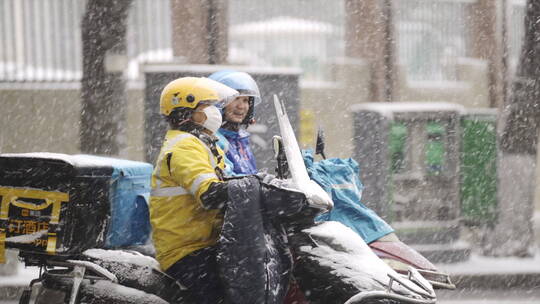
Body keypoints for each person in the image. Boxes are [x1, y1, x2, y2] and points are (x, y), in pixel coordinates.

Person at [149, 76, 306, 304]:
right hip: (188, 251)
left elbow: (235, 179)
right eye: (207, 106)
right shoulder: (184, 146)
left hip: (209, 243)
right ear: (185, 112)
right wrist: (256, 187)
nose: (215, 111)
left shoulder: (205, 143)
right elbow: (210, 193)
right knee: (231, 294)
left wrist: (269, 185)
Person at [208, 70, 260, 176]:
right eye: (235, 99)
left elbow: (251, 176)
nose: (241, 106)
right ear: (218, 102)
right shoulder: (212, 140)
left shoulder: (241, 139)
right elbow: (228, 181)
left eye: (245, 100)